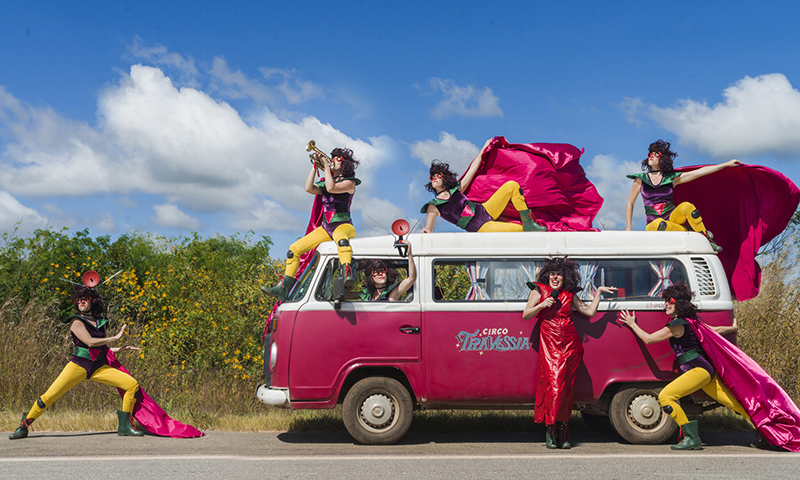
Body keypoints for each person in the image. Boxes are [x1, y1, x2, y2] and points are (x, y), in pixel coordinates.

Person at [616, 283, 753, 450]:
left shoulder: (676, 326)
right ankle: (768, 430)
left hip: (698, 370)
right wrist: (732, 328)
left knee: (666, 397)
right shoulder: (692, 321)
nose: (666, 303)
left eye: (670, 300)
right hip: (705, 371)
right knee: (734, 404)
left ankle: (691, 437)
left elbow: (649, 339)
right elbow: (714, 330)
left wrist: (632, 323)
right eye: (666, 300)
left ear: (679, 304)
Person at [9, 285, 143, 440]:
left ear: (93, 301)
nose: (82, 302)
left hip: (98, 368)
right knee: (48, 397)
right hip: (78, 366)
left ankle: (125, 425)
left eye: (86, 299)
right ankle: (24, 425)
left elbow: (101, 349)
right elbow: (90, 342)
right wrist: (115, 337)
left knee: (131, 385)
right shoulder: (76, 321)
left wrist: (121, 348)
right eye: (79, 299)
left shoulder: (101, 322)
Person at [522, 257, 617, 449]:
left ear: (566, 277)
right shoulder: (538, 289)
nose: (555, 277)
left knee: (566, 389)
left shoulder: (569, 294)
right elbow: (526, 315)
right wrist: (541, 305)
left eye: (560, 274)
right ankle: (550, 430)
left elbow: (588, 312)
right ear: (547, 275)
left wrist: (597, 292)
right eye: (553, 273)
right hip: (550, 344)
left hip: (571, 345)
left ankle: (563, 430)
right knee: (554, 386)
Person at [262, 147, 360, 301]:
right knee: (294, 249)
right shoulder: (328, 180)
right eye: (332, 158)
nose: (332, 160)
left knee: (342, 240)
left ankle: (347, 274)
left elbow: (331, 188)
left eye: (336, 158)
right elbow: (308, 188)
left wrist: (326, 166)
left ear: (345, 163)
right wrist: (314, 167)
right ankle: (283, 288)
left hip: (343, 225)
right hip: (326, 228)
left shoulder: (349, 182)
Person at [624, 139, 740, 252]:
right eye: (650, 154)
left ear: (663, 158)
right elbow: (630, 203)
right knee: (660, 224)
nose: (651, 156)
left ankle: (707, 239)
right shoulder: (640, 180)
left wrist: (726, 164)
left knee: (687, 206)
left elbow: (698, 172)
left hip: (673, 218)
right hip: (653, 224)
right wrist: (628, 227)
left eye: (656, 154)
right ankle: (690, 231)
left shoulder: (671, 178)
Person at [420, 139, 546, 233]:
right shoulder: (433, 205)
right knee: (520, 230)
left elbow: (473, 167)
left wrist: (485, 146)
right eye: (432, 177)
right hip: (481, 227)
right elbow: (428, 229)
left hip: (486, 209)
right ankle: (527, 227)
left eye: (438, 175)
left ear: (445, 177)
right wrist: (425, 230)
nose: (435, 179)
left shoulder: (457, 189)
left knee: (511, 186)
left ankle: (528, 221)